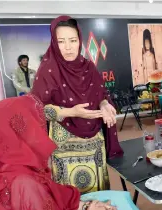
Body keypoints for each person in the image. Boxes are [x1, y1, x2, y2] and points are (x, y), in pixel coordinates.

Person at [0, 94, 162, 210]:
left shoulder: (8, 166)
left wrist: (84, 205)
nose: (39, 130)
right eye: (33, 126)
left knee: (120, 200)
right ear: (18, 134)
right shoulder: (22, 182)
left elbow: (49, 200)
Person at [31, 16, 123, 193]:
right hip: (64, 140)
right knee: (70, 194)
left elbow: (101, 94)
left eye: (73, 40)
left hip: (94, 141)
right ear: (54, 42)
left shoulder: (88, 66)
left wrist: (104, 104)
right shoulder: (47, 70)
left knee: (98, 190)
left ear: (79, 40)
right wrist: (71, 112)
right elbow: (37, 109)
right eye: (61, 41)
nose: (68, 47)